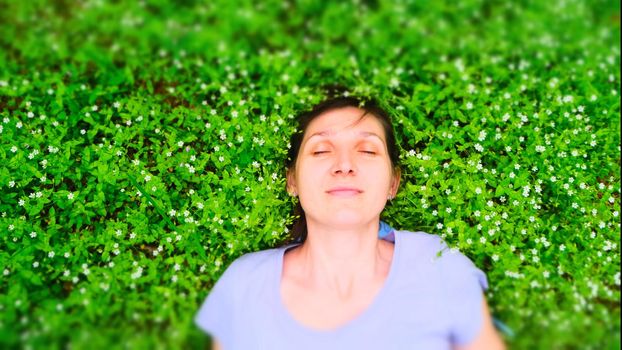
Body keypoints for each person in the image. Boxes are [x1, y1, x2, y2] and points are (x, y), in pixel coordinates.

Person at [195, 96, 506, 349]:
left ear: (392, 184)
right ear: (292, 180)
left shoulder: (440, 267)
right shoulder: (244, 283)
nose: (344, 165)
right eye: (321, 150)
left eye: (367, 150)